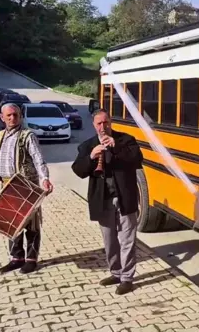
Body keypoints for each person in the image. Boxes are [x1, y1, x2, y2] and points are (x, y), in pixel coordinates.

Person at [71, 109, 143, 295]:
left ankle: (127, 278)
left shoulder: (126, 140)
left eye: (106, 123)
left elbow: (137, 159)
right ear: (94, 125)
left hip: (125, 199)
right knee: (110, 241)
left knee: (127, 240)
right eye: (99, 124)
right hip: (103, 200)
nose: (103, 127)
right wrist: (91, 157)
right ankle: (116, 272)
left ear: (111, 122)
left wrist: (116, 146)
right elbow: (78, 171)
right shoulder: (88, 146)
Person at [0, 103, 54, 274]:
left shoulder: (27, 135)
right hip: (7, 186)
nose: (12, 118)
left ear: (20, 116)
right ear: (2, 117)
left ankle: (31, 260)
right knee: (12, 223)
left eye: (15, 115)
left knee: (31, 224)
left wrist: (45, 178)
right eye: (8, 115)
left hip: (27, 185)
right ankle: (16, 258)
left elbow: (38, 158)